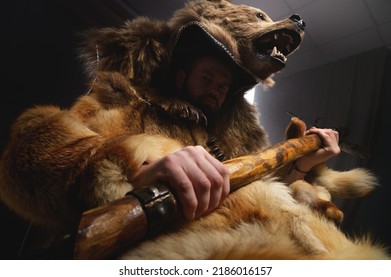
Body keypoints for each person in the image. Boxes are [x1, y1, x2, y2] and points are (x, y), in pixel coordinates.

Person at [0, 22, 340, 236]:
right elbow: (32, 155)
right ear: (181, 77)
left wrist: (303, 165)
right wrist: (134, 167)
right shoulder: (124, 105)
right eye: (207, 78)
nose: (215, 90)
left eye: (223, 87)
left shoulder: (223, 142)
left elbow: (264, 197)